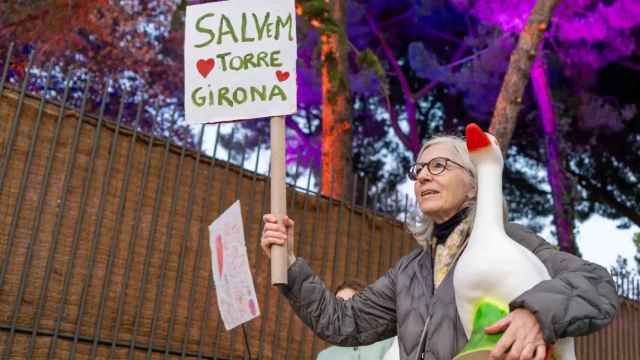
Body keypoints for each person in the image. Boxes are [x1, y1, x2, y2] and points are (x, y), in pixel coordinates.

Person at [261, 135, 619, 360]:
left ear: (475, 185)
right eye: (418, 170)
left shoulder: (513, 244)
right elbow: (344, 322)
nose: (424, 176)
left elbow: (596, 284)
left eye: (439, 165)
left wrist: (535, 314)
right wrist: (290, 262)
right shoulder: (409, 271)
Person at [316, 279, 396, 359]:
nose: (344, 310)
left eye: (350, 303)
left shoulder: (390, 344)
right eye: (339, 304)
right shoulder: (325, 356)